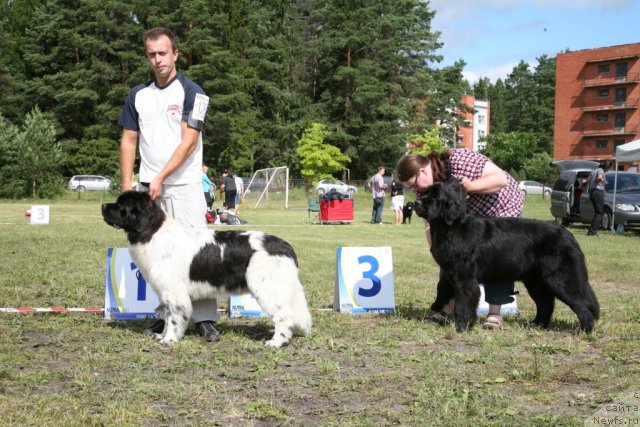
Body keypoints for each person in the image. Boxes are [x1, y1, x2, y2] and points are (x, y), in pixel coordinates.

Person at [118, 27, 220, 342]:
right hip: (149, 190)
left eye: (163, 53)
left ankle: (203, 318)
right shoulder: (137, 95)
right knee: (157, 258)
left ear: (175, 54)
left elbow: (189, 142)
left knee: (198, 254)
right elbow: (128, 140)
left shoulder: (196, 92)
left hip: (186, 185)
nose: (158, 59)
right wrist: (127, 188)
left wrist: (161, 177)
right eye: (152, 54)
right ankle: (166, 316)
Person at [396, 148, 523, 330]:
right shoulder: (425, 190)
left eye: (414, 185)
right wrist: (439, 254)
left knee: (496, 261)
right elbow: (430, 225)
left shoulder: (459, 160)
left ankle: (494, 313)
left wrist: (470, 187)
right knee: (451, 258)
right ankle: (446, 308)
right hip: (468, 215)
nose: (415, 190)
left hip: (501, 207)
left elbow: (500, 180)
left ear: (422, 171)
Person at [587, 164, 607, 236]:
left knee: (597, 212)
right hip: (598, 192)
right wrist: (601, 179)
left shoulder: (593, 171)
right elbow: (599, 177)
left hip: (591, 192)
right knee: (599, 213)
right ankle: (592, 232)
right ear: (604, 168)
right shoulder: (600, 170)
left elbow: (587, 181)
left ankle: (592, 230)